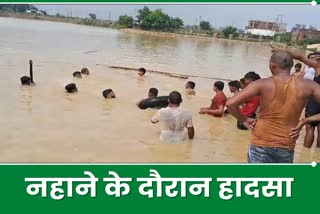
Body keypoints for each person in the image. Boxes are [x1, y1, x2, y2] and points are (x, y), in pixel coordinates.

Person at [226, 50, 320, 163]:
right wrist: (304, 120)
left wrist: (244, 120)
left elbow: (230, 103)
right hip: (286, 143)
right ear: (290, 65)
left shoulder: (262, 83)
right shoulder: (308, 85)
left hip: (261, 142)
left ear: (272, 65)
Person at [301, 52, 320, 148]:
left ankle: (306, 151)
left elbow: (301, 57)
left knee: (310, 128)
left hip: (315, 102)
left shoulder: (318, 67)